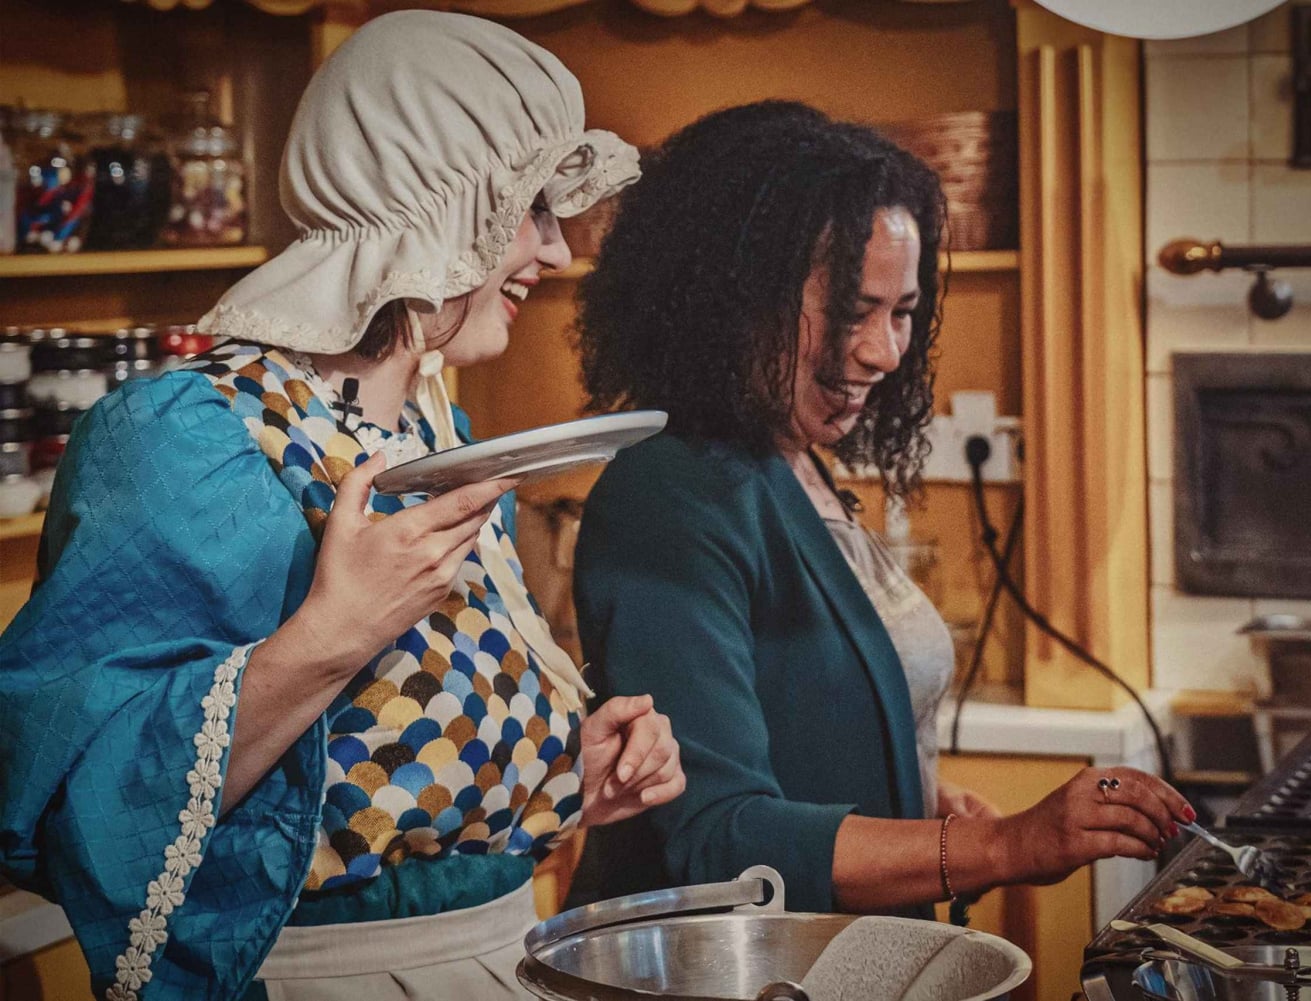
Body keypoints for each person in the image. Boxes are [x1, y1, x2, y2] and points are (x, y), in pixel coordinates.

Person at [0, 12, 683, 1000]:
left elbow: (384, 777)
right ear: (435, 203)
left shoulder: (437, 428)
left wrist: (568, 777)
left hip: (503, 959)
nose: (556, 246)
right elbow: (61, 803)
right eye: (530, 204)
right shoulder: (186, 436)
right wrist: (331, 633)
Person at [566, 101, 1192, 918]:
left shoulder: (792, 466)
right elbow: (720, 837)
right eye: (854, 310)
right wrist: (1002, 847)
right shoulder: (671, 494)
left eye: (902, 313)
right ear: (735, 301)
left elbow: (811, 730)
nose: (885, 351)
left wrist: (919, 799)